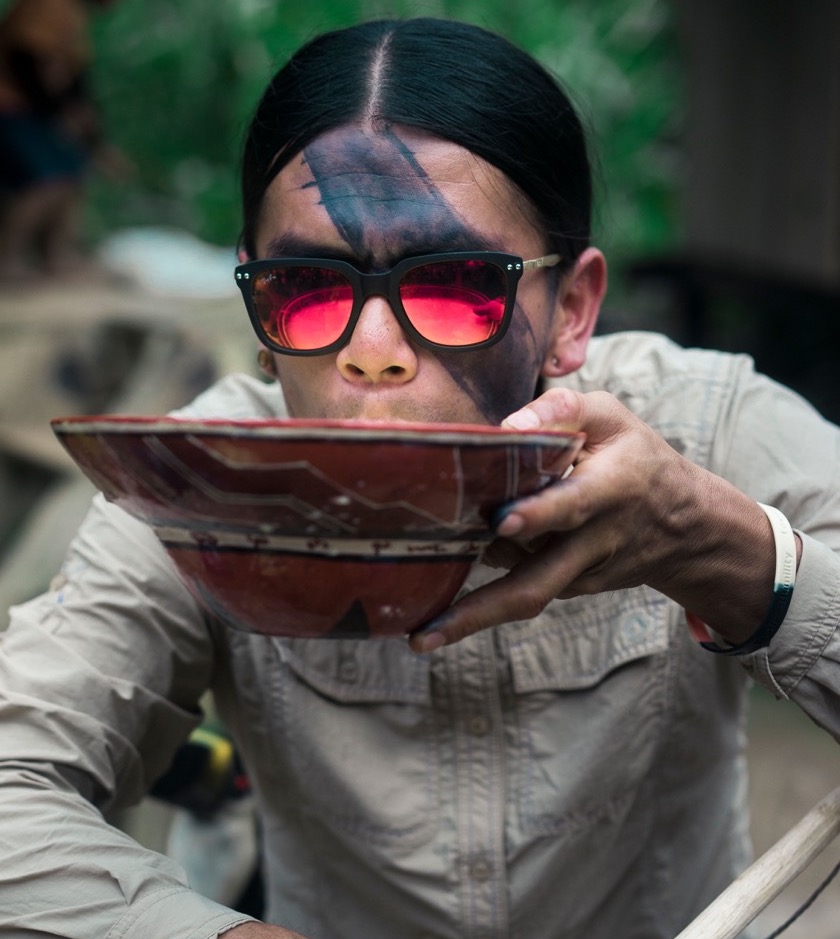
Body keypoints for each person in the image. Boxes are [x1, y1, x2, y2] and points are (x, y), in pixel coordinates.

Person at [0, 16, 838, 939]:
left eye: (454, 283)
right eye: (307, 287)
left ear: (574, 310)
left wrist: (725, 545)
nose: (371, 354)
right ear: (257, 306)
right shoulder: (205, 482)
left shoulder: (701, 426)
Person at [0, 0, 123, 277]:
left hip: (32, 109)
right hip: (12, 107)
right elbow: (24, 58)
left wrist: (95, 141)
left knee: (71, 173)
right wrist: (58, 114)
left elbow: (77, 82)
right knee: (49, 179)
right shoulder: (50, 5)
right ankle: (8, 259)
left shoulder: (75, 16)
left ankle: (59, 255)